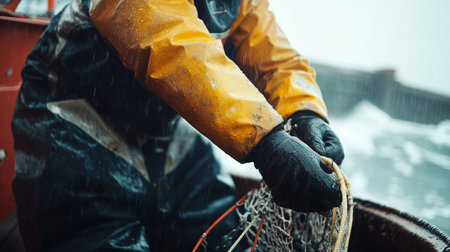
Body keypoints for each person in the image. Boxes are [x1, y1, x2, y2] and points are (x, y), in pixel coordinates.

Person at [12, 0, 344, 251]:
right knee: (91, 234)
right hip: (75, 124)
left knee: (223, 235)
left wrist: (304, 111)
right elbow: (169, 42)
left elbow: (271, 52)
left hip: (166, 133)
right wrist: (266, 142)